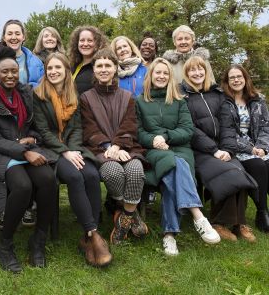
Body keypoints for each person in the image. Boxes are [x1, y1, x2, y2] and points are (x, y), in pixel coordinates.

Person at [0, 46, 57, 273]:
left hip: (26, 149)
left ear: (19, 70)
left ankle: (38, 240)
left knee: (49, 179)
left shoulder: (26, 94)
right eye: (4, 72)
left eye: (14, 70)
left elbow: (39, 127)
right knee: (22, 185)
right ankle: (5, 244)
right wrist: (22, 151)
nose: (10, 75)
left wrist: (32, 139)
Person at [33, 52, 112, 267]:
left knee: (92, 174)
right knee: (75, 178)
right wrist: (64, 152)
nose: (54, 72)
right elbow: (43, 131)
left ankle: (88, 236)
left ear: (66, 71)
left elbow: (77, 127)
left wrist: (74, 150)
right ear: (46, 71)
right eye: (50, 68)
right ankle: (93, 235)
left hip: (74, 149)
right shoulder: (38, 94)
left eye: (58, 68)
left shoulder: (73, 93)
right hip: (51, 151)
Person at [135, 58, 220, 256]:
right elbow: (137, 132)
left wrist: (165, 136)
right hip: (154, 150)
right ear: (150, 76)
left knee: (174, 169)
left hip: (181, 148)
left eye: (166, 73)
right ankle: (197, 216)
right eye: (158, 72)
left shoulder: (179, 101)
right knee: (172, 164)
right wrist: (154, 139)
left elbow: (187, 130)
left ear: (170, 77)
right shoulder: (139, 102)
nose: (162, 76)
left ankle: (169, 235)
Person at [181, 57, 258, 242]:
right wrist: (214, 150)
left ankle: (239, 223)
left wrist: (228, 149)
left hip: (223, 148)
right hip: (200, 151)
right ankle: (219, 222)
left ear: (206, 71)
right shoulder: (182, 97)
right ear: (186, 73)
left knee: (239, 170)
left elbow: (228, 124)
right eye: (192, 70)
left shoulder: (219, 94)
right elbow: (190, 128)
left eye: (201, 69)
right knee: (229, 173)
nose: (197, 73)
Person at [80, 49, 148, 245]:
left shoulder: (127, 97)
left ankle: (122, 220)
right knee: (112, 172)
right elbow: (89, 127)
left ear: (115, 68)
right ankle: (132, 215)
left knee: (135, 171)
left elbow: (129, 124)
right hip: (100, 149)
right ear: (94, 69)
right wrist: (108, 147)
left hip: (127, 147)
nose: (103, 69)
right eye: (99, 66)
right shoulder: (86, 98)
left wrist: (118, 146)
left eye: (107, 65)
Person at [220, 64, 269, 233]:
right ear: (227, 81)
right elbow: (226, 132)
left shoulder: (258, 99)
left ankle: (262, 211)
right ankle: (262, 211)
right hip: (236, 148)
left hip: (258, 147)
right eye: (232, 77)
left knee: (266, 164)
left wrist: (262, 147)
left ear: (245, 78)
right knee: (258, 166)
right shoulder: (224, 102)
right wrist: (251, 149)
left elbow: (265, 126)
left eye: (239, 76)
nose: (236, 80)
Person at [0, 19, 44, 89]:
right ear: (4, 38)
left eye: (17, 34)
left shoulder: (36, 62)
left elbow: (43, 88)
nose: (14, 37)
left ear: (23, 37)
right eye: (10, 34)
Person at [68, 26, 108, 95]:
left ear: (97, 43)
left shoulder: (103, 67)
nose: (85, 44)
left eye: (90, 40)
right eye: (82, 40)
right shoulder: (73, 66)